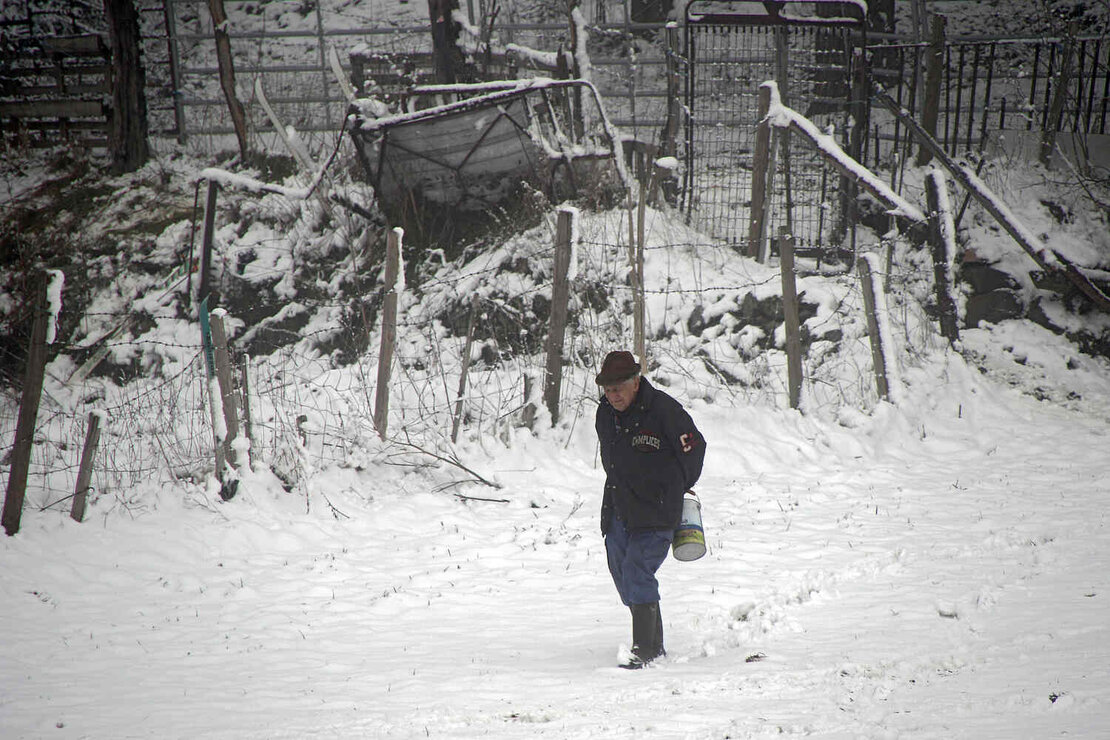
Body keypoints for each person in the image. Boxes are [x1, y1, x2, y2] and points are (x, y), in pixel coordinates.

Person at [594, 350, 705, 669]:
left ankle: (645, 648)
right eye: (608, 389)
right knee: (623, 575)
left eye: (619, 388)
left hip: (656, 510)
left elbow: (695, 449)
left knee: (637, 570)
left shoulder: (665, 411)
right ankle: (653, 642)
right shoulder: (604, 413)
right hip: (618, 506)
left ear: (636, 381)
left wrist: (675, 486)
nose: (613, 395)